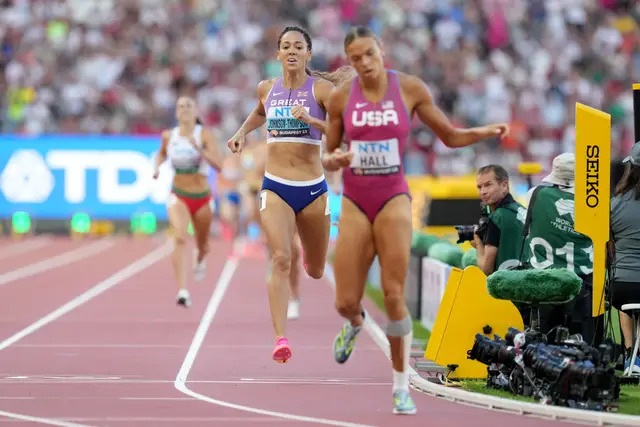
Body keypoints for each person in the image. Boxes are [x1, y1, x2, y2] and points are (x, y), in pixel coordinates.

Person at [322, 26, 509, 415]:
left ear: (381, 50)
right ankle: (354, 322)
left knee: (393, 294)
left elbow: (451, 137)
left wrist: (485, 132)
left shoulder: (409, 88)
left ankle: (400, 385)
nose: (365, 63)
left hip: (393, 198)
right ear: (350, 61)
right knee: (343, 300)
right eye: (356, 58)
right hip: (356, 199)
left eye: (369, 54)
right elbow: (327, 153)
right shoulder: (341, 97)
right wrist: (335, 159)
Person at [227, 26, 351, 363]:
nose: (292, 51)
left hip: (312, 190)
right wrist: (240, 132)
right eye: (286, 46)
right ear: (278, 54)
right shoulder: (267, 88)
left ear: (308, 54)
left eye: (298, 46)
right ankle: (280, 338)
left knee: (314, 269)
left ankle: (310, 269)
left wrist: (311, 119)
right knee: (281, 258)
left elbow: (340, 132)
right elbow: (259, 111)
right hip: (275, 186)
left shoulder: (323, 90)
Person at [153, 96, 223, 307]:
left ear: (196, 112)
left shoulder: (205, 135)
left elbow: (219, 165)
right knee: (180, 238)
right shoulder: (169, 135)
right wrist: (157, 168)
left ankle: (200, 257)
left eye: (188, 106)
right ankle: (182, 290)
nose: (184, 109)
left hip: (202, 197)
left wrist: (199, 149)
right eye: (180, 106)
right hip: (178, 195)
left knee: (203, 245)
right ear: (176, 113)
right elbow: (161, 154)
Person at [610, 143, 640, 375]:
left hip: (621, 287)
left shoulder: (615, 203)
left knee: (626, 303)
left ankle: (630, 353)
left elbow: (607, 245)